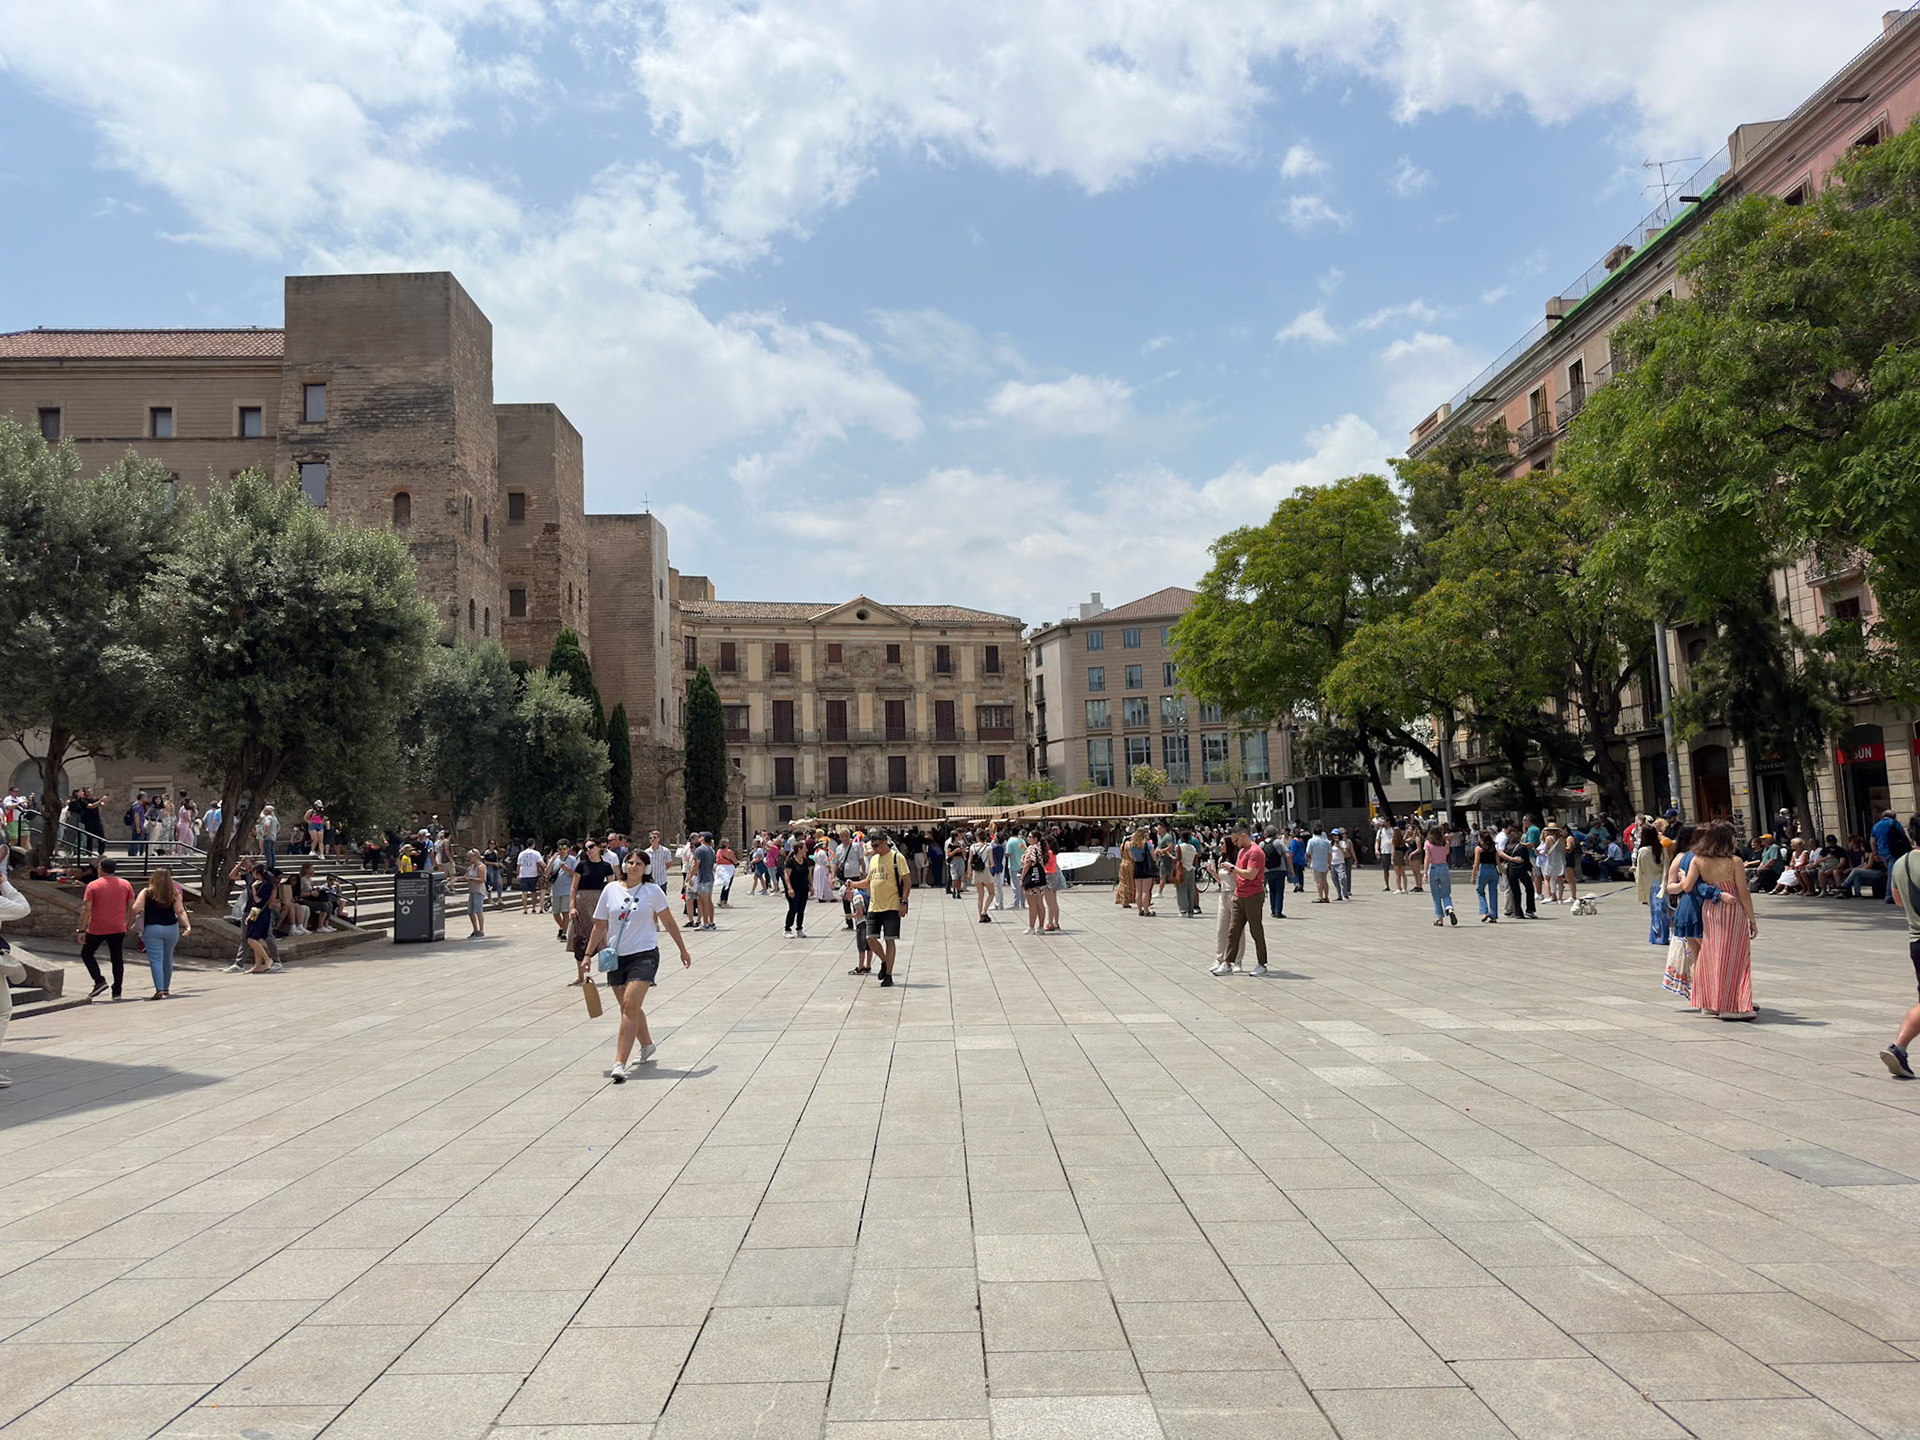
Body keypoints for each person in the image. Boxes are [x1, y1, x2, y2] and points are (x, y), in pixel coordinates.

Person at [586, 850, 693, 1082]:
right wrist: (587, 955)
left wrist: (682, 950)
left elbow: (669, 922)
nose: (633, 866)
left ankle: (619, 1063)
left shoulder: (652, 891)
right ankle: (647, 1044)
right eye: (630, 862)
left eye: (639, 864)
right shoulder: (610, 890)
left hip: (644, 954)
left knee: (629, 1005)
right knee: (629, 1007)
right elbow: (600, 925)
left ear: (646, 869)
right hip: (617, 957)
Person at [1684, 821, 1756, 1020]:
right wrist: (1752, 919)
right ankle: (1730, 1006)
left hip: (1710, 910)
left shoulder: (1698, 860)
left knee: (1712, 954)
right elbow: (1743, 893)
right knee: (1733, 957)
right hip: (1732, 911)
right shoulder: (1735, 862)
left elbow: (1688, 886)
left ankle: (1709, 1002)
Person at [1880, 816, 1920, 1077]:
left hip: (1916, 940)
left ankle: (1900, 1048)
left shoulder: (1900, 863)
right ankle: (1899, 1048)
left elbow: (1897, 900)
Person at [76, 857, 136, 1000]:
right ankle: (117, 991)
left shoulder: (93, 885)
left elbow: (86, 909)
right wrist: (129, 923)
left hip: (97, 927)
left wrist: (82, 929)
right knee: (117, 958)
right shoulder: (125, 884)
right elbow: (132, 907)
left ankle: (99, 981)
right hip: (117, 927)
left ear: (101, 869)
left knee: (87, 954)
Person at [1212, 825, 1268, 976]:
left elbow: (1250, 874)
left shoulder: (1255, 852)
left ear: (1244, 835)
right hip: (1239, 895)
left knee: (1256, 930)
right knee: (1233, 931)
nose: (1234, 843)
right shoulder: (1242, 851)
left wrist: (1232, 868)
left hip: (1253, 895)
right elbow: (1240, 874)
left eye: (1236, 840)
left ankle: (1262, 964)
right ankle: (1227, 963)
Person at [859, 831, 911, 987]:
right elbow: (869, 881)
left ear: (884, 843)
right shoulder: (874, 859)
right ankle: (884, 961)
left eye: (876, 845)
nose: (874, 849)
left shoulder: (897, 857)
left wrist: (904, 902)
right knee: (870, 938)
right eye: (872, 846)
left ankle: (888, 975)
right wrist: (853, 884)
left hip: (891, 905)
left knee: (890, 940)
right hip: (874, 905)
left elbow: (907, 881)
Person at [133, 866, 192, 999]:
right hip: (171, 929)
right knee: (168, 958)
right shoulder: (174, 893)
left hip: (152, 928)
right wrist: (187, 926)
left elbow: (135, 908)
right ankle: (165, 987)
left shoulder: (146, 892)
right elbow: (180, 911)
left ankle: (159, 989)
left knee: (156, 959)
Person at [569, 839, 617, 985]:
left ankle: (611, 975)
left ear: (598, 848)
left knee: (603, 939)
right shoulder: (582, 865)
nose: (588, 850)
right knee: (579, 938)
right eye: (586, 848)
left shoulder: (606, 866)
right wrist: (572, 906)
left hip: (599, 902)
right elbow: (573, 887)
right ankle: (580, 975)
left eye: (591, 847)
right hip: (582, 904)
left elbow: (611, 886)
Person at [1425, 824, 1456, 926]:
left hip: (1433, 868)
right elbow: (1446, 853)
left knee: (1436, 895)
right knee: (1446, 893)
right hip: (1443, 868)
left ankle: (1440, 918)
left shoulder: (1428, 843)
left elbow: (1427, 858)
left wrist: (1425, 871)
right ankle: (1449, 907)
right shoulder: (1445, 843)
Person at [1021, 831, 1050, 933]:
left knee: (1032, 904)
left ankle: (1031, 926)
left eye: (1030, 837)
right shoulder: (1040, 848)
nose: (1028, 838)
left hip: (1031, 878)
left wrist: (1022, 878)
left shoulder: (1031, 848)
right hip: (1039, 878)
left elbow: (1028, 863)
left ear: (1035, 838)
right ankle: (1041, 927)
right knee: (1040, 903)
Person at [784, 838, 812, 939]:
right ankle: (787, 929)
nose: (806, 850)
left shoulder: (806, 861)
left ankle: (799, 929)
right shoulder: (791, 862)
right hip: (793, 889)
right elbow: (787, 876)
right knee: (793, 908)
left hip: (803, 888)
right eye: (805, 848)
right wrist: (789, 888)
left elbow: (809, 874)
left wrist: (812, 886)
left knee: (801, 909)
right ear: (799, 849)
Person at [1471, 829, 1501, 923]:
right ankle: (1494, 915)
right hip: (1493, 870)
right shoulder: (1493, 848)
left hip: (1483, 870)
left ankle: (1485, 911)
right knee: (1493, 893)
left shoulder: (1478, 848)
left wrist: (1473, 876)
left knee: (1480, 890)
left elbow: (1476, 863)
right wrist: (1501, 872)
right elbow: (1498, 862)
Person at [1261, 825, 1289, 919]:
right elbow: (1287, 855)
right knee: (1279, 891)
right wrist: (1290, 868)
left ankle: (1273, 910)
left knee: (1271, 890)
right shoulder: (1279, 842)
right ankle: (1278, 911)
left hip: (1267, 870)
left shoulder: (1262, 844)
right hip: (1280, 869)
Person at [694, 833, 718, 930]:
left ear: (703, 839)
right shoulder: (711, 850)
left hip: (703, 878)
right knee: (709, 900)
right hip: (710, 877)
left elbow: (696, 864)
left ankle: (706, 923)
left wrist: (690, 876)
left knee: (704, 902)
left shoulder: (699, 850)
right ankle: (711, 921)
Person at [971, 831, 997, 923]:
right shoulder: (988, 847)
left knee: (980, 895)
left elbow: (970, 861)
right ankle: (984, 911)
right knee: (991, 893)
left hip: (976, 871)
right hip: (985, 870)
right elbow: (991, 862)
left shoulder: (973, 847)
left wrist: (969, 872)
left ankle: (980, 916)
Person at [1305, 824, 1332, 902]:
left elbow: (1308, 852)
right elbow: (1330, 854)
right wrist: (1329, 863)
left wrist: (1309, 860)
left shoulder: (1311, 841)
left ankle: (1320, 897)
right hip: (1325, 863)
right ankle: (1326, 897)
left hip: (1316, 863)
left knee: (1319, 881)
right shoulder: (1327, 842)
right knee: (1325, 881)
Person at [256, 804, 279, 871]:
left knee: (268, 853)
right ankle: (272, 866)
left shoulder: (268, 817)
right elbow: (278, 826)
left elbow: (267, 824)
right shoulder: (274, 818)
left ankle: (269, 866)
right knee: (272, 853)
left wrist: (265, 832)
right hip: (273, 837)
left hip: (268, 837)